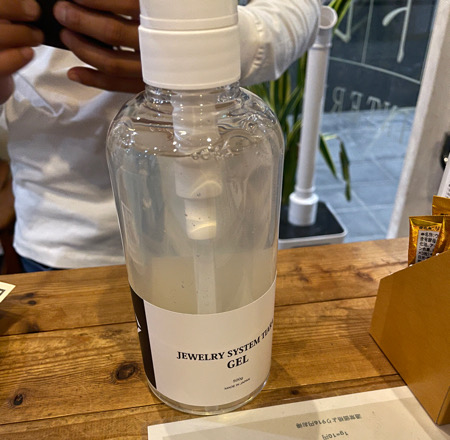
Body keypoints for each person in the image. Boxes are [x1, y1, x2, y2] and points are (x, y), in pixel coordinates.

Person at [0, 0, 321, 271]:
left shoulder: (255, 124)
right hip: (60, 235)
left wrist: (227, 38)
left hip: (231, 226)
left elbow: (302, 6)